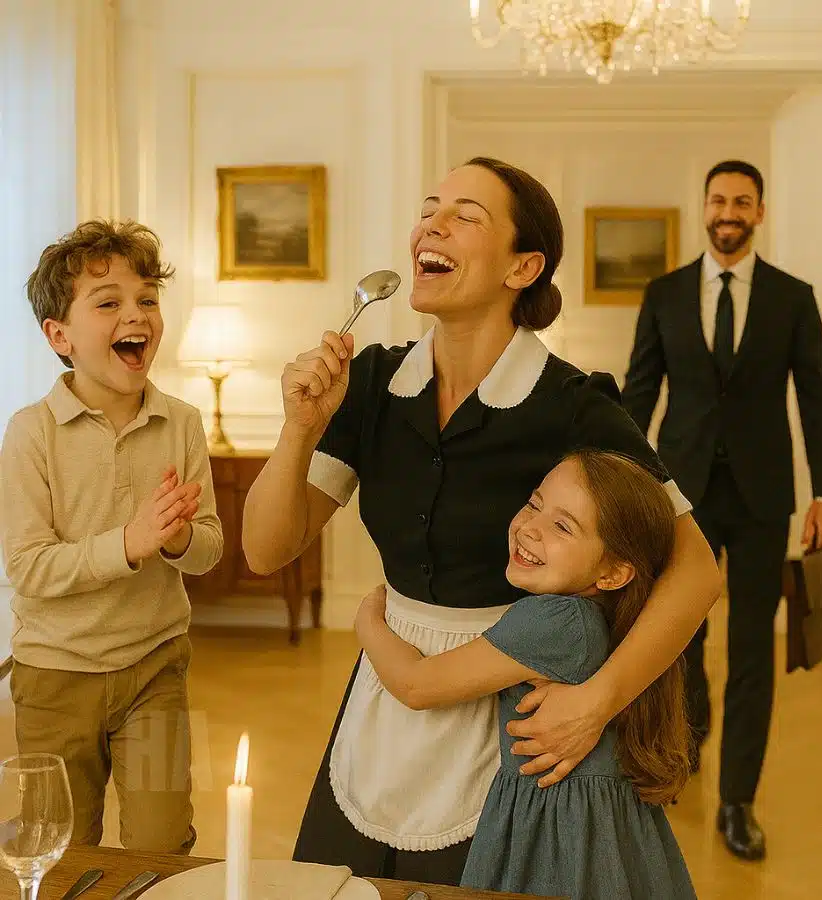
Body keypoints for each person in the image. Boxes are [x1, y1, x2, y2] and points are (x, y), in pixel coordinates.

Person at [242, 157, 721, 883]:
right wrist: (298, 430)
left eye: (465, 216)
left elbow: (696, 570)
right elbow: (265, 550)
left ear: (523, 267)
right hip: (382, 703)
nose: (431, 226)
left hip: (512, 719)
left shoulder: (574, 404)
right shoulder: (369, 383)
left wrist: (596, 701)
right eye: (428, 210)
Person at [621, 159, 822, 861]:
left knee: (751, 648)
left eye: (742, 202)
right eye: (718, 200)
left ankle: (738, 800)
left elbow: (817, 398)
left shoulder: (792, 298)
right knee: (681, 638)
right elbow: (639, 393)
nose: (728, 212)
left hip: (762, 499)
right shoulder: (664, 293)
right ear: (705, 207)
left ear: (759, 213)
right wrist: (620, 481)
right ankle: (686, 742)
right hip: (680, 495)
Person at [355, 450, 697, 900]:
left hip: (557, 838)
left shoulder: (553, 622)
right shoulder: (602, 617)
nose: (531, 527)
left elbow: (417, 685)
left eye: (563, 527)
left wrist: (368, 620)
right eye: (535, 504)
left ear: (614, 573)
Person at [0, 220, 224, 852]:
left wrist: (176, 540)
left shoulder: (182, 422)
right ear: (59, 335)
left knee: (162, 844)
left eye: (147, 298)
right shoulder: (30, 433)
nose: (136, 314)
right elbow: (29, 568)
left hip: (157, 669)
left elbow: (208, 549)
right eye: (108, 303)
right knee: (61, 850)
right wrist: (129, 542)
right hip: (53, 679)